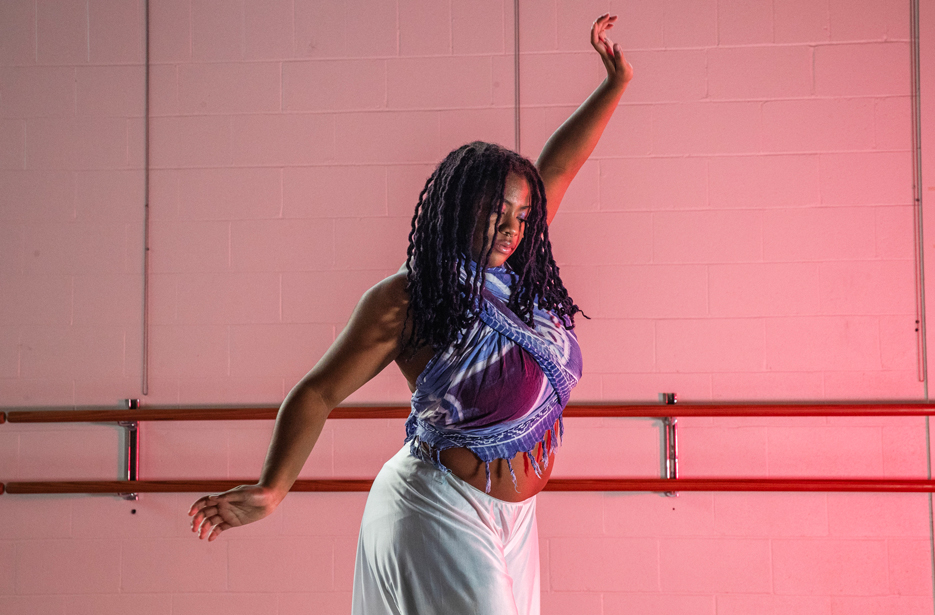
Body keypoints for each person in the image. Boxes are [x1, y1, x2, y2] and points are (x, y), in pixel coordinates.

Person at [189, 13, 632, 615]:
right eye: (497, 209)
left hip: (516, 520)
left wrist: (613, 86)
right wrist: (272, 489)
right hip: (436, 505)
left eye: (524, 215)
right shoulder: (410, 297)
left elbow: (558, 167)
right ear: (458, 207)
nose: (512, 226)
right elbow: (318, 392)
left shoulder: (517, 274)